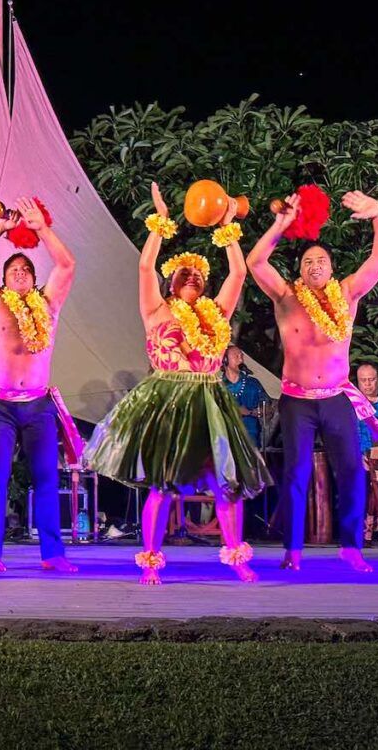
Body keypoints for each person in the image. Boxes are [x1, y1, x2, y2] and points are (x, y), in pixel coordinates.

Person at [86, 183, 269, 583]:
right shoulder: (156, 310)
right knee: (163, 486)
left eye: (199, 275)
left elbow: (238, 272)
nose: (192, 277)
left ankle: (237, 558)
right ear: (172, 283)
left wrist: (226, 228)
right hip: (168, 398)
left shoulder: (217, 313)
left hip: (208, 400)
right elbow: (142, 267)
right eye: (184, 274)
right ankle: (151, 560)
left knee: (226, 483)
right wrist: (161, 221)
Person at [246, 190, 378, 572]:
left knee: (351, 471)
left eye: (322, 260)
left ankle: (351, 547)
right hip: (296, 400)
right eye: (308, 260)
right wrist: (281, 224)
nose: (315, 264)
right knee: (296, 474)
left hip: (336, 397)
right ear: (300, 269)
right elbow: (256, 260)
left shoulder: (346, 293)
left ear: (331, 268)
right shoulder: (285, 295)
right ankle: (292, 551)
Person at [0, 196, 77, 574]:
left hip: (38, 405)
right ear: (4, 278)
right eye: (14, 269)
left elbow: (67, 264)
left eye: (27, 268)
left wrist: (41, 227)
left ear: (34, 276)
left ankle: (53, 554)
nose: (21, 273)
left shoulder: (48, 305)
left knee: (46, 478)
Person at [222, 345, 267, 448]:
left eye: (241, 355)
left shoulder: (253, 383)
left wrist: (251, 412)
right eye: (236, 356)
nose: (240, 358)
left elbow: (268, 408)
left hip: (251, 439)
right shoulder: (218, 386)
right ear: (225, 360)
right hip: (226, 439)